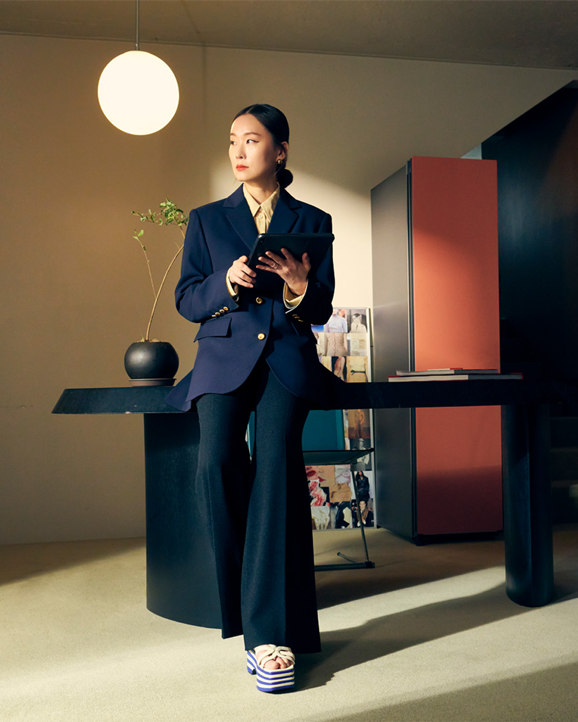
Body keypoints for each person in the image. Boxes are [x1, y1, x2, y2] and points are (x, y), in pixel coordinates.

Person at [164, 104, 336, 694]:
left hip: (285, 361)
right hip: (221, 360)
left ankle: (267, 636)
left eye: (252, 140)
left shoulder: (313, 220)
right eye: (233, 141)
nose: (239, 151)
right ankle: (251, 603)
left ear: (280, 151)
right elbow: (187, 299)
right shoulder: (206, 220)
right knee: (214, 465)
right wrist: (226, 283)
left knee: (277, 475)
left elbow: (321, 307)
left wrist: (299, 287)